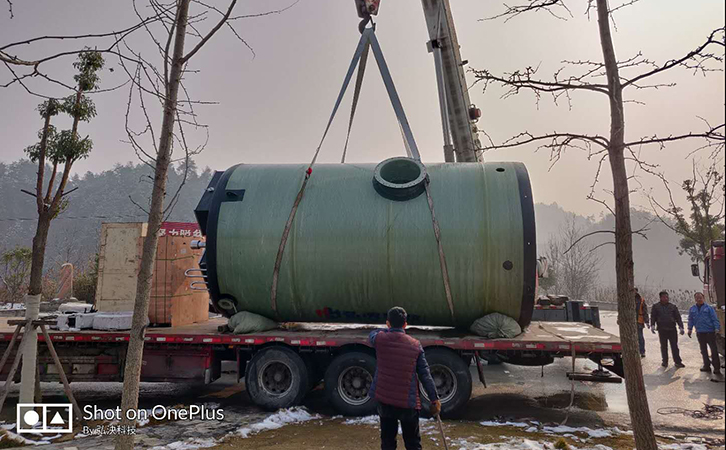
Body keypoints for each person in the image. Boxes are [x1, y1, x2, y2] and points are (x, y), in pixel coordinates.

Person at [369, 307, 441, 450]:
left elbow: (372, 333)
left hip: (385, 401)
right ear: (405, 324)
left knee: (388, 441)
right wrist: (434, 399)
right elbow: (425, 374)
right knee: (413, 443)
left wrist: (386, 330)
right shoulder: (415, 345)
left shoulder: (380, 339)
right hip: (408, 403)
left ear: (388, 324)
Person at [687, 292, 722, 375]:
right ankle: (706, 366)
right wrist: (689, 329)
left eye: (700, 298)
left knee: (713, 350)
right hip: (700, 332)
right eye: (697, 298)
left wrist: (717, 328)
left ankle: (716, 368)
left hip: (709, 332)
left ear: (703, 298)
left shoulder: (709, 308)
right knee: (703, 350)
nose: (699, 299)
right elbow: (690, 320)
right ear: (695, 299)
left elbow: (714, 319)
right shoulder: (692, 309)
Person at [650, 290, 685, 368]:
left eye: (667, 297)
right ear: (660, 298)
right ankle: (665, 361)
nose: (665, 298)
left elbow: (678, 317)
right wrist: (652, 325)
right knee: (663, 346)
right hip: (662, 329)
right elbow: (653, 317)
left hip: (672, 329)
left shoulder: (673, 307)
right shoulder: (656, 307)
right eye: (664, 297)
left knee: (674, 346)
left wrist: (681, 327)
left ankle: (677, 361)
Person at [635, 291, 650, 358]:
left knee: (640, 336)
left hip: (639, 321)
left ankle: (642, 351)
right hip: (630, 321)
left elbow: (645, 311)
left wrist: (647, 321)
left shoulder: (641, 300)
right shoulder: (627, 298)